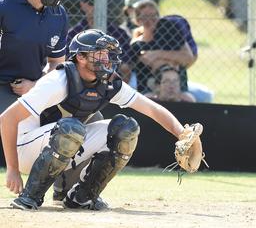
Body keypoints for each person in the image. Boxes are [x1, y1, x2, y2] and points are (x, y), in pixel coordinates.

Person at [0, 29, 190, 211]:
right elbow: (7, 119)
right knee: (72, 129)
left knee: (126, 129)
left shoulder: (108, 82)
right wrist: (13, 170)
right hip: (24, 148)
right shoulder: (58, 80)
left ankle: (82, 197)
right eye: (98, 53)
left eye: (107, 53)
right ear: (80, 57)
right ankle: (29, 197)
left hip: (60, 139)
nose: (106, 58)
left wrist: (182, 135)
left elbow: (153, 109)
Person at [0, 0, 69, 113]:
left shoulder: (59, 13)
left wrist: (36, 85)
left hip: (36, 85)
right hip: (3, 84)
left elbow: (56, 63)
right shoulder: (4, 6)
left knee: (80, 122)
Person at [68, 0, 134, 81]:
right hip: (82, 79)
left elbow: (126, 66)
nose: (96, 6)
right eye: (91, 2)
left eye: (99, 3)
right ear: (82, 5)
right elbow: (68, 63)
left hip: (112, 79)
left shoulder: (119, 33)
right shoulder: (74, 34)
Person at [130, 0, 196, 94]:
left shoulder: (171, 33)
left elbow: (188, 58)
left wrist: (156, 54)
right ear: (138, 20)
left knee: (189, 99)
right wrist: (174, 59)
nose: (150, 20)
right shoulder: (137, 45)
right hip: (149, 91)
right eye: (145, 16)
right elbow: (150, 61)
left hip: (179, 91)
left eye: (153, 16)